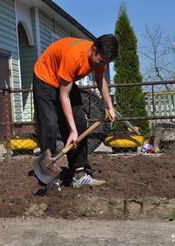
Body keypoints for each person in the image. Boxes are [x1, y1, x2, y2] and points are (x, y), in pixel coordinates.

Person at [33, 34, 118, 188]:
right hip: (45, 78)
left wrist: (110, 107)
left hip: (65, 81)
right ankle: (49, 177)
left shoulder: (101, 58)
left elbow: (100, 80)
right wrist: (71, 131)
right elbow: (63, 96)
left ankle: (79, 173)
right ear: (93, 50)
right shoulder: (74, 57)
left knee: (79, 121)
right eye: (101, 60)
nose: (103, 64)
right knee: (50, 125)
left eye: (106, 62)